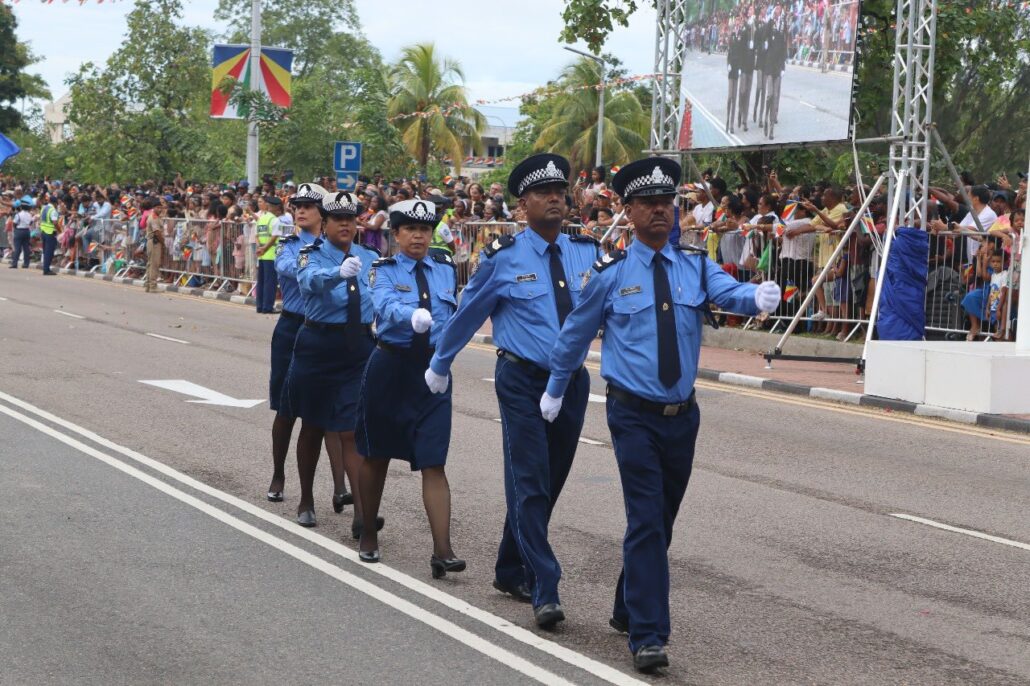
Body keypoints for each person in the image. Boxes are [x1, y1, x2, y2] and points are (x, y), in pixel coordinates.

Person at [540, 157, 781, 673]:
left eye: (666, 203)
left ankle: (628, 606)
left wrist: (755, 296)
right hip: (633, 413)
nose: (659, 211)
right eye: (648, 204)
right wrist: (556, 388)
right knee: (646, 519)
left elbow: (728, 292)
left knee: (661, 522)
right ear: (628, 211)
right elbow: (576, 334)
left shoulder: (694, 264)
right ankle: (648, 635)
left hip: (682, 417)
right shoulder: (610, 274)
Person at [424, 153, 599, 629]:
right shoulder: (503, 258)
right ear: (522, 205)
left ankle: (509, 566)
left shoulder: (587, 252)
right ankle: (545, 584)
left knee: (549, 481)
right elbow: (468, 313)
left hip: (572, 383)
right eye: (543, 194)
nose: (554, 200)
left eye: (559, 192)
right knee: (529, 480)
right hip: (522, 379)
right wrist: (440, 361)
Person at [355, 199, 465, 578]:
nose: (419, 236)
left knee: (434, 460)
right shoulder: (382, 269)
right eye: (410, 229)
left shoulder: (445, 269)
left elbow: (452, 317)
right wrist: (410, 315)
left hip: (432, 372)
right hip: (391, 368)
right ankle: (368, 532)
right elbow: (384, 304)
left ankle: (443, 550)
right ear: (397, 234)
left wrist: (445, 359)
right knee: (378, 454)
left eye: (425, 230)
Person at [281, 191, 383, 538]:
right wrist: (338, 273)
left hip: (358, 347)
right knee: (312, 425)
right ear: (324, 224)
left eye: (350, 219)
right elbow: (308, 282)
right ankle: (306, 499)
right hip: (319, 344)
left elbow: (380, 296)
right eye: (338, 219)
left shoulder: (370, 257)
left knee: (352, 429)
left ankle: (362, 514)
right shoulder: (310, 255)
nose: (345, 225)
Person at [265, 183, 336, 504]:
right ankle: (278, 473)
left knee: (320, 411)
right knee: (286, 408)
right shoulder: (289, 245)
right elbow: (288, 268)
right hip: (292, 326)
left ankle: (336, 486)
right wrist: (331, 270)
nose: (301, 211)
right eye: (297, 206)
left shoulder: (336, 246)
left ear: (323, 212)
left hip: (324, 330)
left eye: (308, 206)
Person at [254, 195, 285, 313]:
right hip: (271, 254)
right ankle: (267, 307)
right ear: (275, 207)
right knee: (270, 282)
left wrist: (260, 248)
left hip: (262, 255)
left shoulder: (261, 219)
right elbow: (274, 236)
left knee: (261, 281)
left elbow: (257, 236)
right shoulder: (274, 220)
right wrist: (265, 248)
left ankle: (260, 306)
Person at [144, 200, 166, 292]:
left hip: (153, 242)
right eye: (158, 207)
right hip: (155, 242)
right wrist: (163, 243)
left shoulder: (156, 216)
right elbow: (157, 232)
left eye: (161, 207)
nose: (160, 209)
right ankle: (153, 286)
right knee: (154, 264)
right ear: (153, 208)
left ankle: (148, 285)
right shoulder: (153, 217)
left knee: (150, 264)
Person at [38, 194, 60, 275]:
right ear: (55, 203)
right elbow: (55, 222)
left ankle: (45, 268)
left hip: (43, 231)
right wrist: (60, 231)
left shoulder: (44, 208)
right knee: (49, 252)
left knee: (45, 251)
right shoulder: (53, 210)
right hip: (50, 232)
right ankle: (46, 270)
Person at [9, 201, 32, 269]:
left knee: (17, 248)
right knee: (26, 248)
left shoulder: (18, 214)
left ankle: (14, 263)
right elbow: (30, 222)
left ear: (21, 207)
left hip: (19, 231)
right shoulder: (29, 215)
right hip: (27, 231)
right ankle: (26, 264)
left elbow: (14, 223)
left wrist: (16, 228)